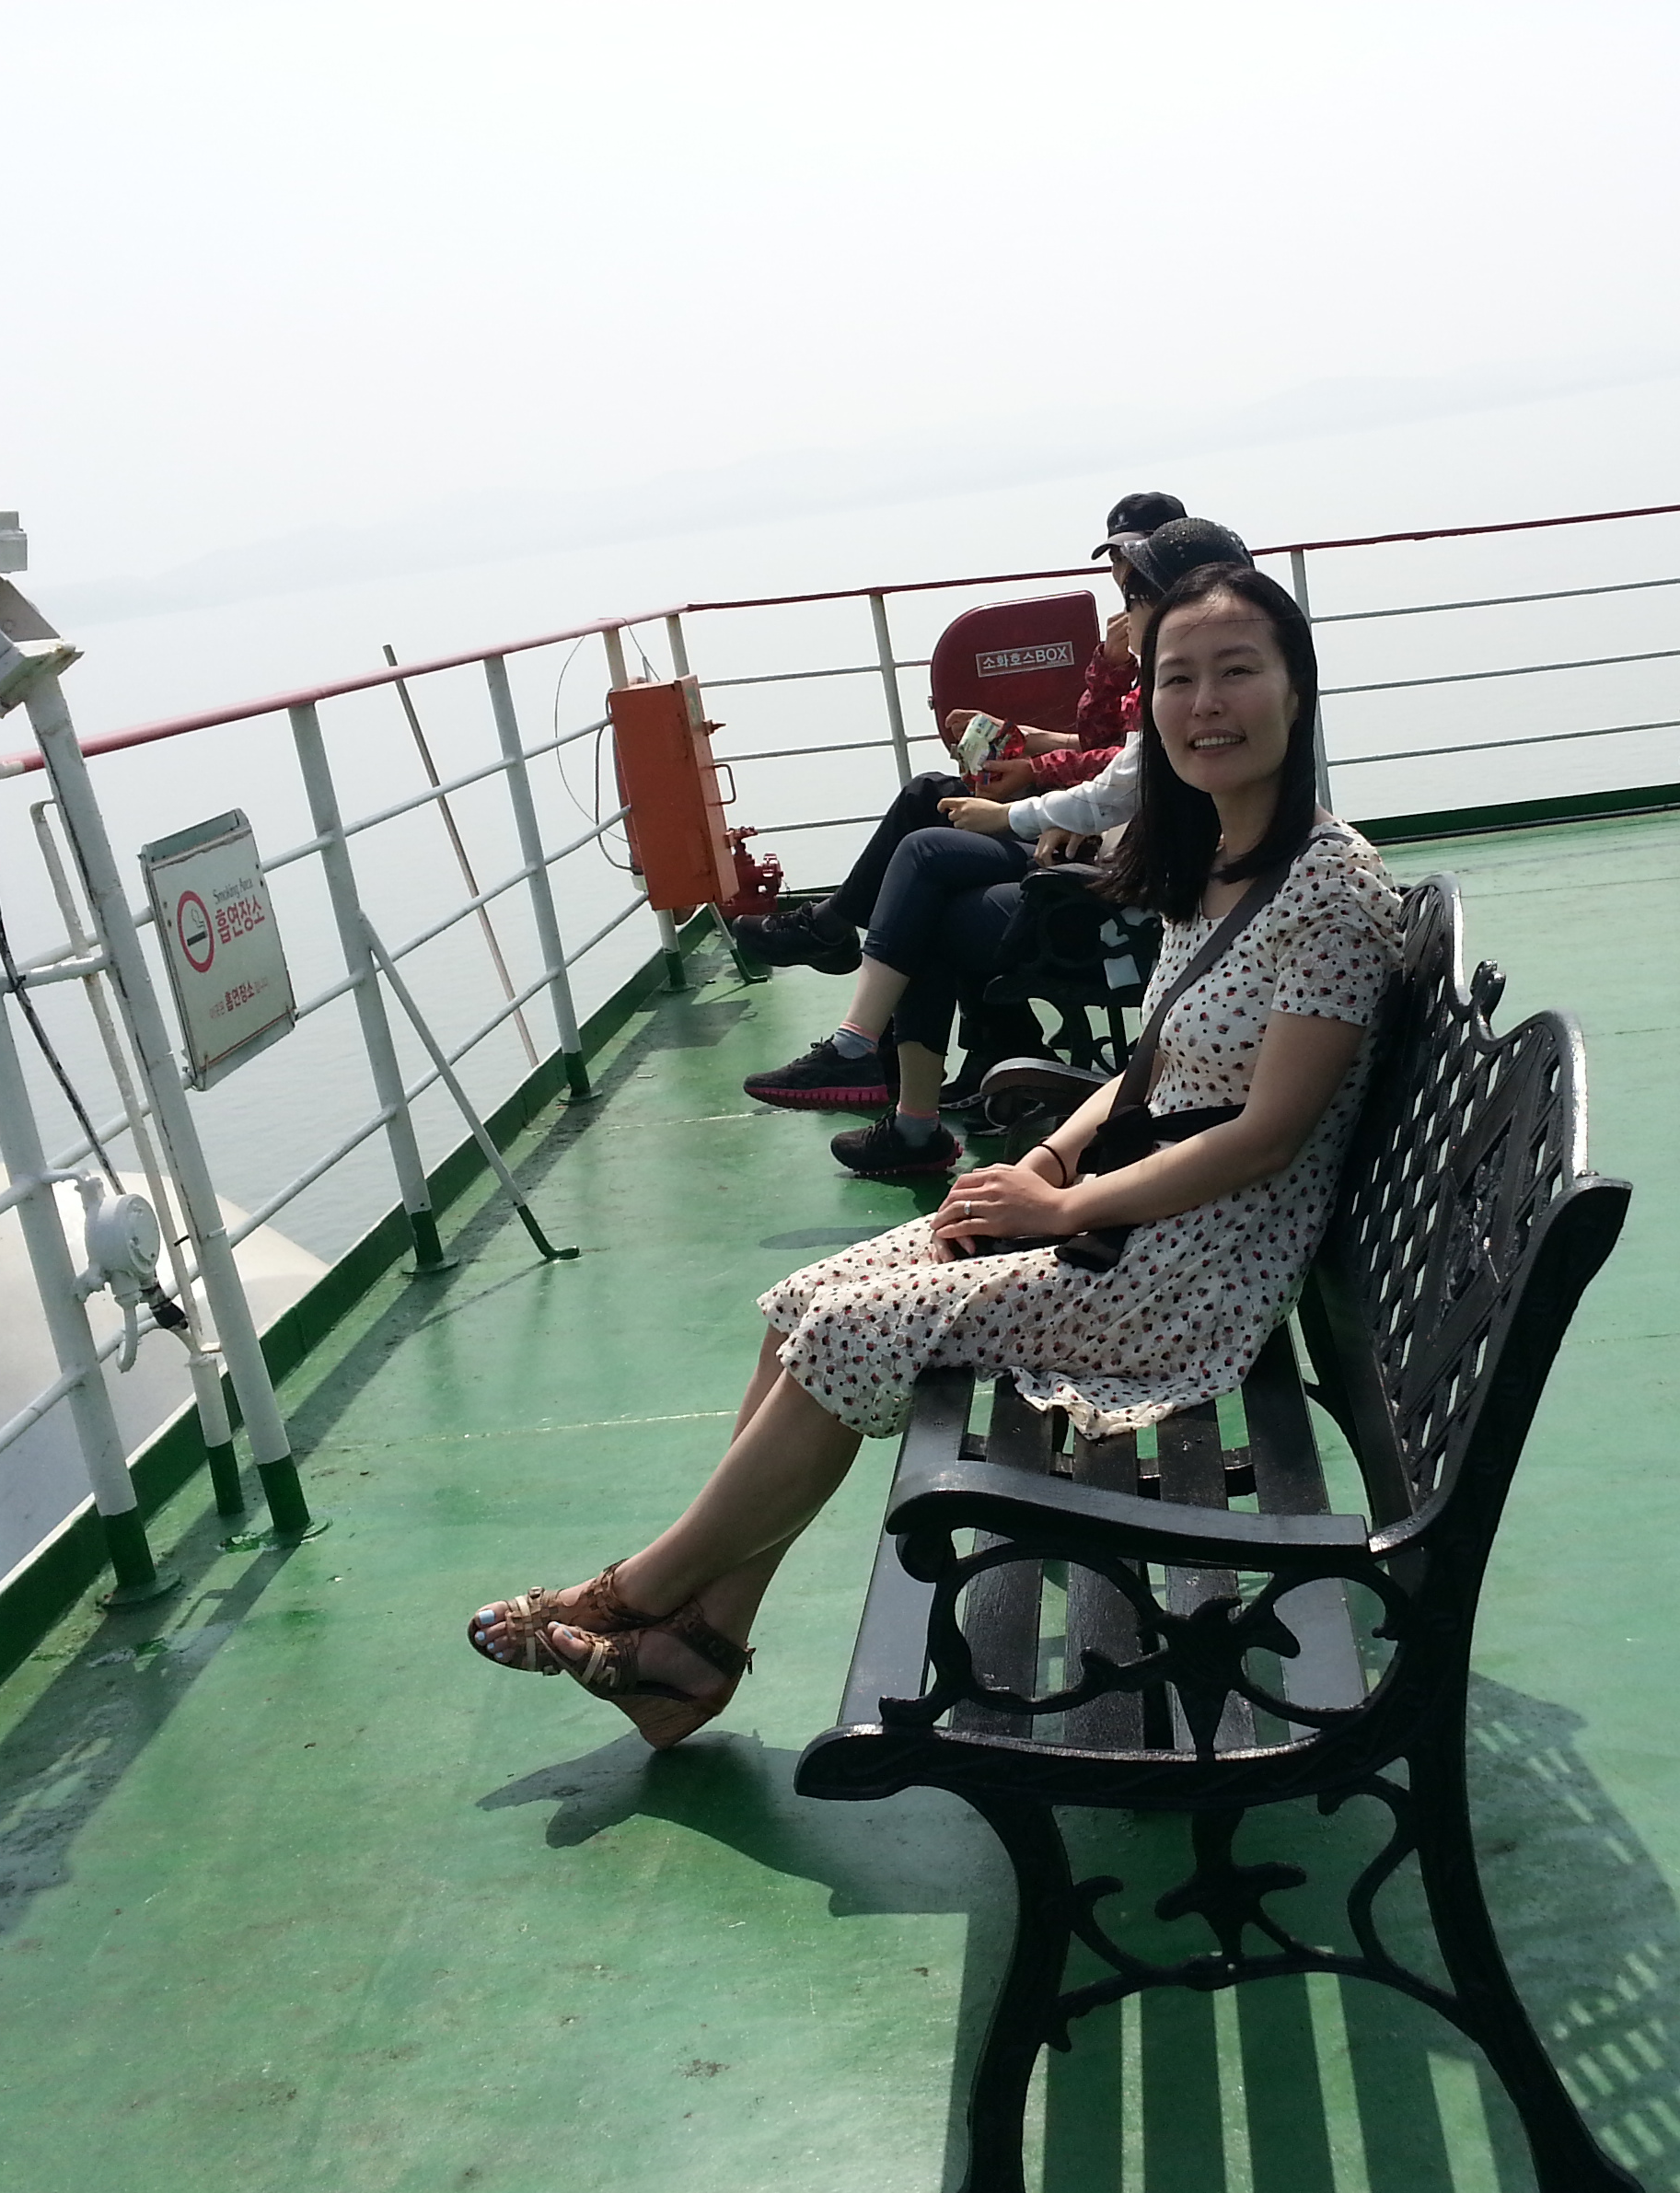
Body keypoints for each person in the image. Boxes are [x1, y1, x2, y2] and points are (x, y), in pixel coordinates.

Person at [464, 562, 1403, 1749]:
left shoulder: (1327, 889)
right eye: (1178, 678)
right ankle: (700, 1646)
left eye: (1237, 672)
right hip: (1134, 1219)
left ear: (1296, 691)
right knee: (803, 1307)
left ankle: (635, 1594)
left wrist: (1062, 1211)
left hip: (1191, 1272)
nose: (1205, 704)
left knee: (851, 1332)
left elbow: (1265, 1137)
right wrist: (1050, 1162)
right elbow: (1154, 1069)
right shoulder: (1213, 863)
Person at [744, 517, 1258, 1181]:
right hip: (1107, 859)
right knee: (926, 842)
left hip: (1121, 901)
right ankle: (880, 1064)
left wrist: (1018, 808)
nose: (1125, 605)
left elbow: (1121, 784)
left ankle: (893, 1091)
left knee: (926, 877)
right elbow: (1115, 767)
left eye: (1137, 593)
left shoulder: (1182, 691)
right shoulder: (1169, 681)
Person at [728, 489, 1186, 976]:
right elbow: (1105, 743)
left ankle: (830, 933)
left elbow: (1130, 768)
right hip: (1093, 816)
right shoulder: (1138, 638)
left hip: (1102, 838)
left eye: (1136, 553)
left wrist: (1034, 772)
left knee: (928, 849)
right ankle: (830, 929)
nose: (1125, 569)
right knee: (928, 798)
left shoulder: (1178, 648)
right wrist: (1105, 671)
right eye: (1117, 556)